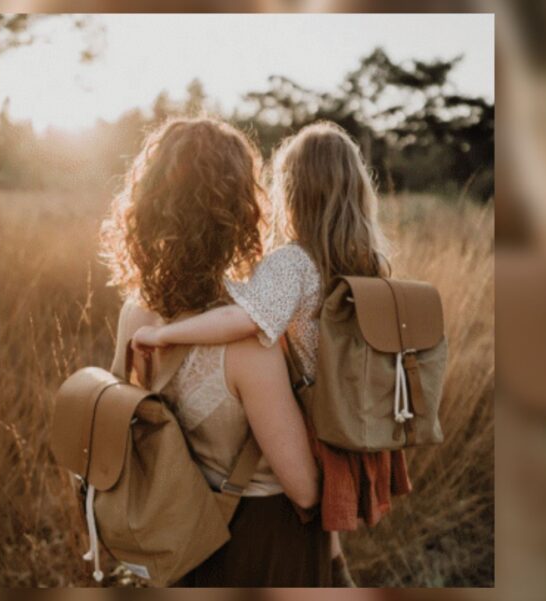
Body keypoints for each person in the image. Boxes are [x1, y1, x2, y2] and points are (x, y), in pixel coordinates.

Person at [133, 121, 414, 587]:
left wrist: (167, 335)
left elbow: (246, 319)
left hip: (204, 521)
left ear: (290, 193)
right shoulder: (367, 263)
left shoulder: (289, 263)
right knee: (334, 560)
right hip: (352, 419)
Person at [100, 117, 330, 587]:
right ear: (241, 212)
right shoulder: (248, 340)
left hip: (180, 538)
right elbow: (305, 492)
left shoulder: (135, 315)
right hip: (261, 544)